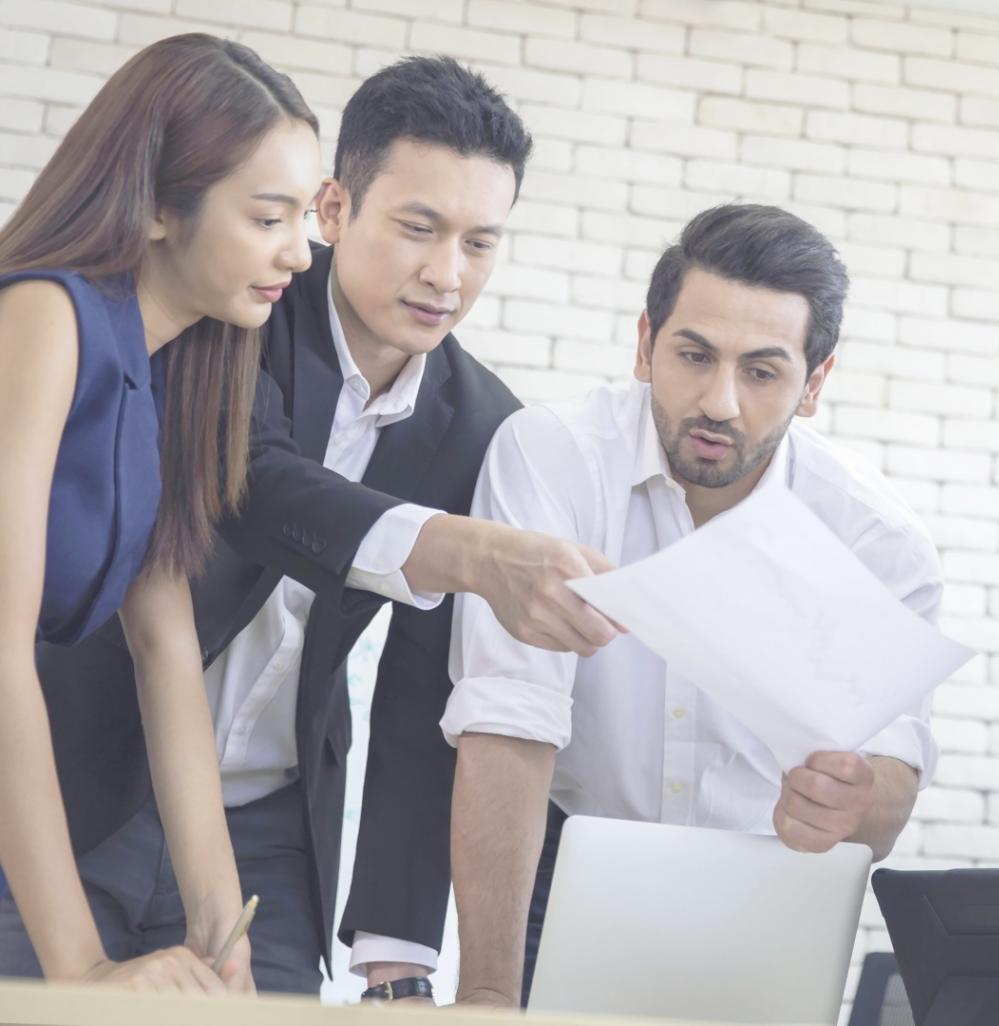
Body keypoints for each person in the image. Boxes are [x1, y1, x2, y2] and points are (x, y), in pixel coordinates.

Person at [9, 56, 615, 1000]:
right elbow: (256, 486)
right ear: (339, 207)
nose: (446, 274)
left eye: (479, 243)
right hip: (74, 780)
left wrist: (376, 956)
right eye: (418, 227)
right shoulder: (215, 316)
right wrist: (467, 551)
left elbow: (404, 691)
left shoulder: (481, 422)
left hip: (265, 826)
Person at [443, 203, 942, 1007]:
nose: (719, 402)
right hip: (560, 867)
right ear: (646, 344)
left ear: (814, 383)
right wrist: (488, 995)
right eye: (694, 355)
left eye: (761, 372)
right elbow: (508, 721)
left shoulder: (874, 537)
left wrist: (851, 804)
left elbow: (887, 794)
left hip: (767, 890)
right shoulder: (554, 456)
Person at [0, 34, 321, 992]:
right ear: (153, 208)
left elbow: (166, 650)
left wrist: (223, 926)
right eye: (268, 216)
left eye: (305, 215)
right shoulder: (44, 317)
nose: (300, 252)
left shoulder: (172, 367)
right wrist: (85, 966)